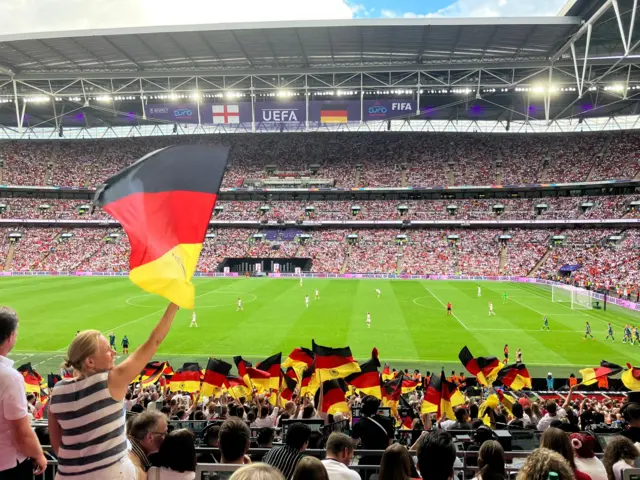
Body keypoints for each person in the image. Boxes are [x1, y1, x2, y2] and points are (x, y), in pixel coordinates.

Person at [48, 303, 179, 479]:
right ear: (90, 362)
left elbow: (57, 444)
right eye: (108, 350)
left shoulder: (58, 390)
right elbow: (154, 341)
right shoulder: (112, 381)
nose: (114, 352)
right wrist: (174, 305)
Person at [0, 307, 48, 478]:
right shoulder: (9, 377)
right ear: (11, 336)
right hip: (7, 465)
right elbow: (21, 430)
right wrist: (39, 455)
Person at [351, 396, 394, 468]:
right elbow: (390, 441)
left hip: (366, 460)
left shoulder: (358, 424)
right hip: (383, 460)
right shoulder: (387, 421)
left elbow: (353, 443)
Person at [127, 411, 169, 479]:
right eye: (164, 434)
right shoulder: (134, 469)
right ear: (150, 437)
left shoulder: (130, 451)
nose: (166, 437)